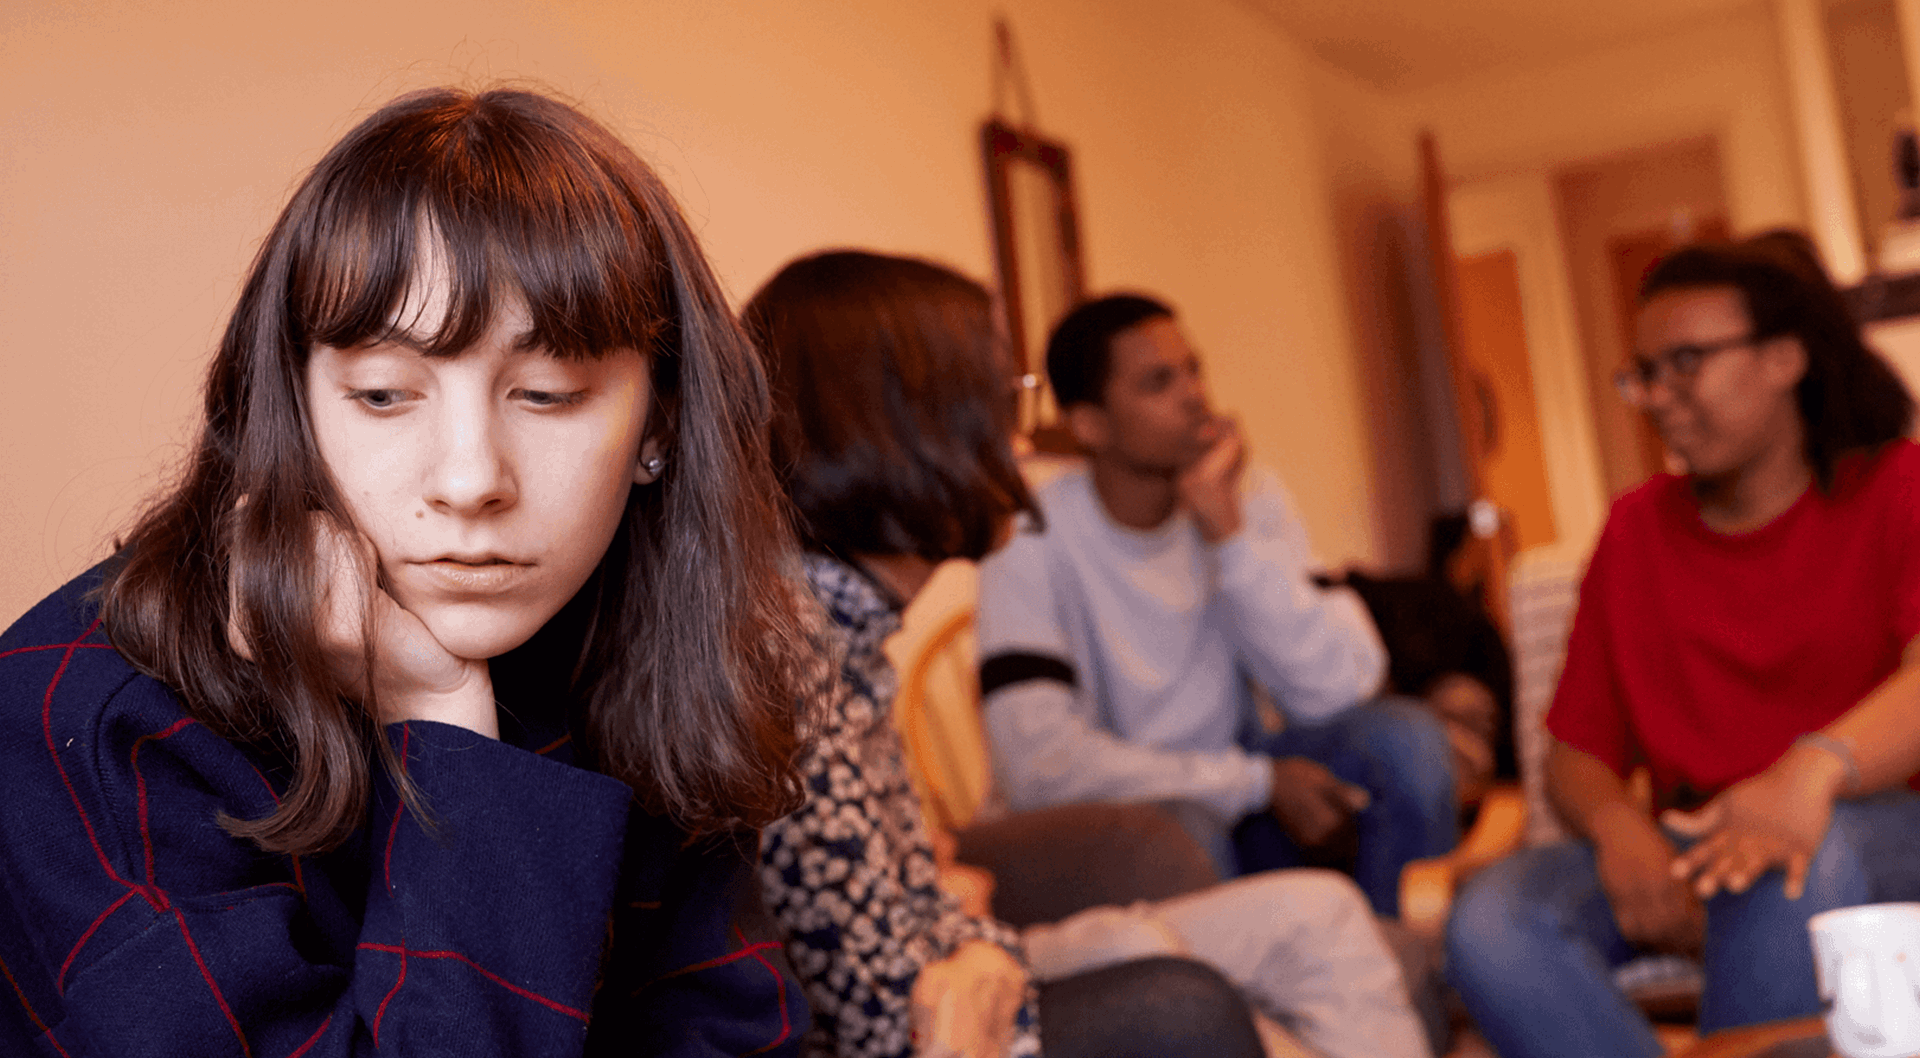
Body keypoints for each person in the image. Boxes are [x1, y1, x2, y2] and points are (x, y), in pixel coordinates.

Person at [0, 87, 825, 1056]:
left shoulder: (640, 643)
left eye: (549, 393)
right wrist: (444, 721)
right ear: (295, 412)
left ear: (662, 425)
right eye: (386, 393)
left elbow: (732, 1033)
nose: (470, 478)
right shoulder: (83, 715)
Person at [746, 250, 1432, 1058]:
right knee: (1188, 998)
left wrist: (1229, 537)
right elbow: (891, 1016)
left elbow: (1343, 686)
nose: (1019, 439)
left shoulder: (856, 636)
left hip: (979, 945)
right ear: (899, 430)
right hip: (962, 987)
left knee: (1327, 914)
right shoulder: (792, 664)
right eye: (996, 402)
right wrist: (973, 936)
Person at [1446, 231, 1920, 1057]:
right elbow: (1573, 751)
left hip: (1869, 819)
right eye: (1644, 373)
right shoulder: (1635, 531)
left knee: (1785, 859)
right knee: (1492, 916)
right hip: (1694, 839)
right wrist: (1620, 830)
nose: (1658, 396)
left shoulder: (1898, 485)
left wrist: (1806, 776)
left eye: (1686, 362)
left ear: (1784, 358)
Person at [972, 294, 1456, 917]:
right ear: (1090, 424)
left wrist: (1228, 537)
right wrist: (1250, 783)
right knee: (1181, 836)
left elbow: (1339, 692)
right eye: (1158, 382)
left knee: (1405, 741)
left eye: (1193, 369)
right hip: (1110, 821)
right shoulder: (1030, 535)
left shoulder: (1243, 494)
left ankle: (1394, 969)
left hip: (1235, 790)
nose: (1195, 394)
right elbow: (1039, 768)